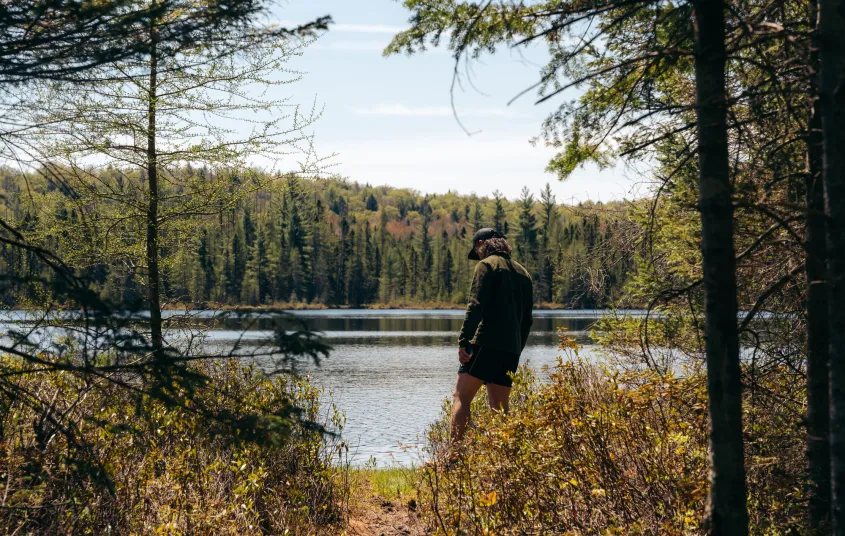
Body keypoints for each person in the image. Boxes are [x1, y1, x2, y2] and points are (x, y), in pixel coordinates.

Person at [451, 228, 533, 444]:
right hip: (510, 351)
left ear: (481, 244)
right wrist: (516, 349)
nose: (477, 256)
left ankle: (453, 458)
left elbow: (475, 305)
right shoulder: (523, 273)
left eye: (476, 250)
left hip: (485, 344)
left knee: (462, 396)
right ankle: (503, 462)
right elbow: (527, 321)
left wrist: (464, 341)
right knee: (499, 408)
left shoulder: (486, 265)